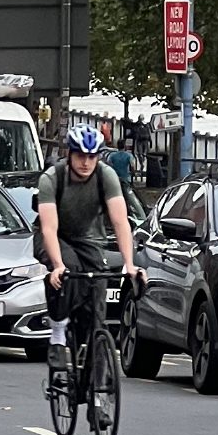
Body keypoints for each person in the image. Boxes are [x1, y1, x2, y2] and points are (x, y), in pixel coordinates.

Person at [36, 126, 144, 376]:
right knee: (69, 270)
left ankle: (97, 388)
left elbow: (120, 222)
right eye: (80, 156)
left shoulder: (106, 176)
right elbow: (49, 228)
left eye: (92, 157)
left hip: (87, 239)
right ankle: (58, 333)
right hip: (54, 236)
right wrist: (58, 265)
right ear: (70, 155)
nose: (86, 163)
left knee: (96, 296)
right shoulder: (52, 178)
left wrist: (130, 264)